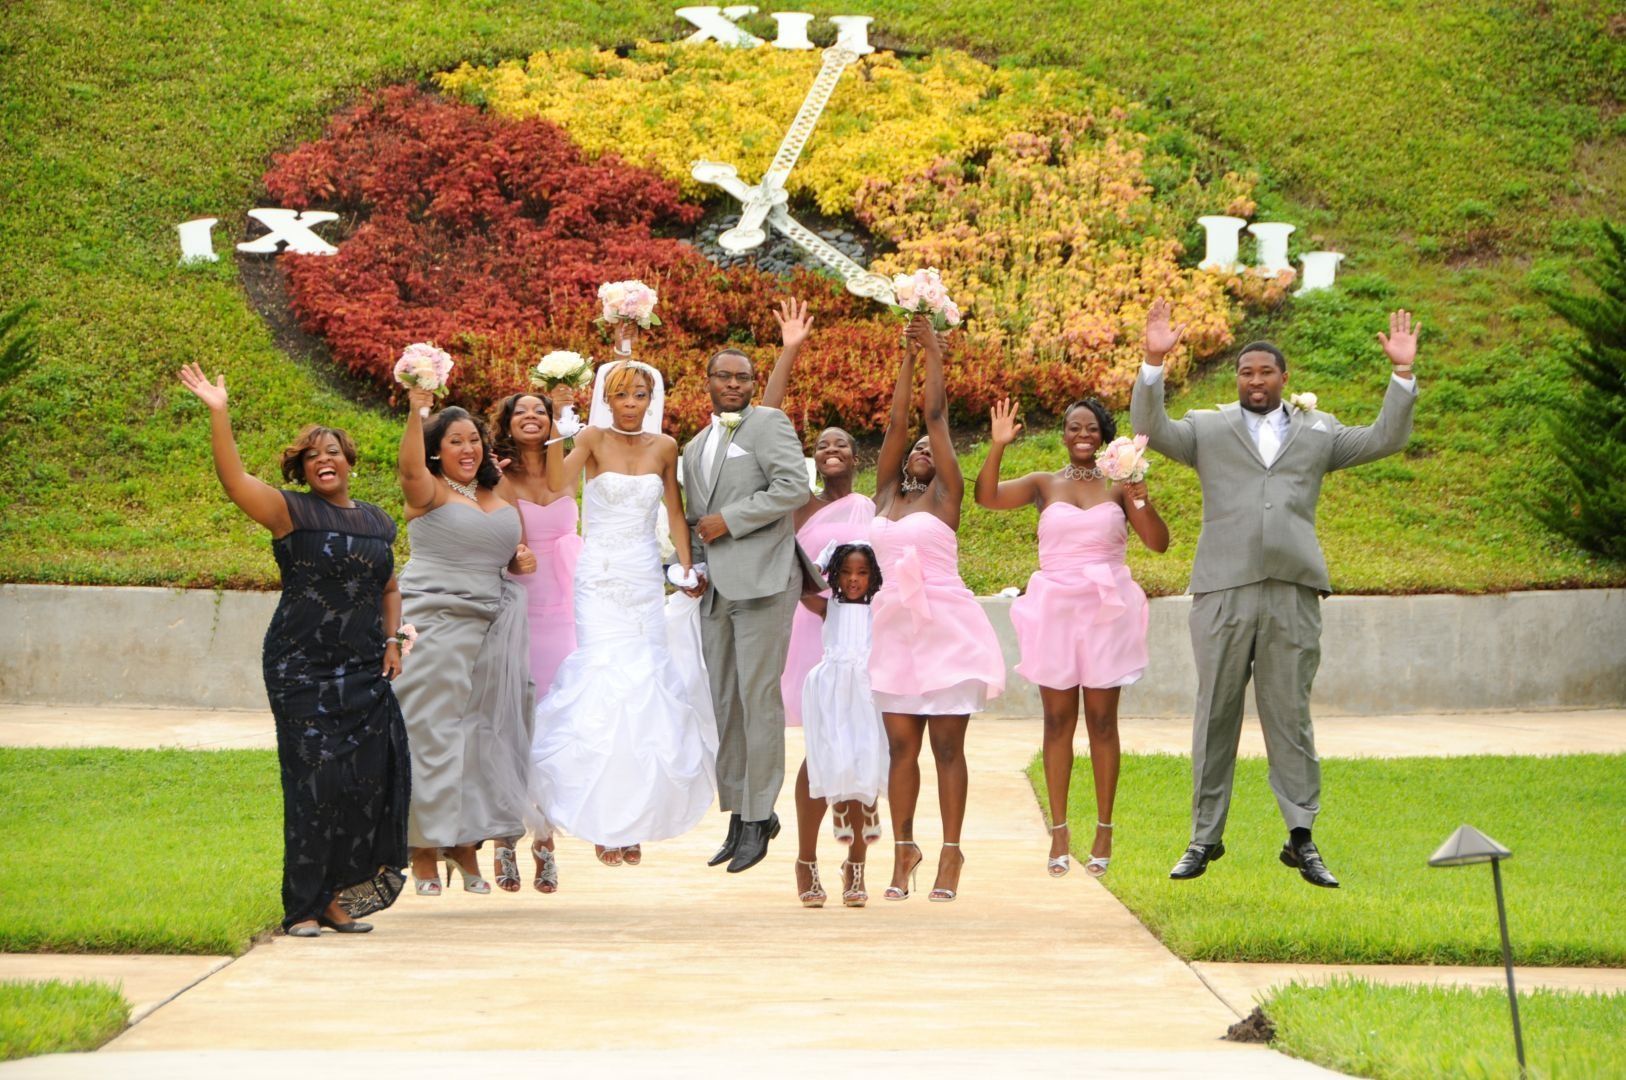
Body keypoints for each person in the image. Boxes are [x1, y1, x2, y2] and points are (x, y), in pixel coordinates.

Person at [1132, 299, 1420, 887]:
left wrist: (1403, 374)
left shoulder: (1320, 431)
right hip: (1223, 590)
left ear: (1284, 379)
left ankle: (1302, 838)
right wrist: (1153, 362)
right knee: (1215, 712)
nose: (1254, 380)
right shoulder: (1208, 429)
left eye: (1265, 372)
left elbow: (1387, 438)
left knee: (1290, 716)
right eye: (1245, 372)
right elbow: (1150, 430)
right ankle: (1203, 837)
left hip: (1292, 590)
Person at [178, 363, 408, 937]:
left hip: (362, 669)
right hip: (301, 666)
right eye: (311, 457)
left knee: (362, 782)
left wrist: (392, 641)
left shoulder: (379, 522)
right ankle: (302, 906)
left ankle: (333, 898)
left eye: (332, 451)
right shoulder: (290, 512)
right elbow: (234, 481)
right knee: (314, 783)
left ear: (350, 460)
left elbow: (388, 587)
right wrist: (218, 410)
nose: (323, 460)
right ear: (301, 470)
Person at [529, 354, 715, 865]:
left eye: (639, 395)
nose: (631, 405)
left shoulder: (666, 446)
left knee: (645, 689)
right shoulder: (589, 439)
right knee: (604, 686)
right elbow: (553, 486)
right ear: (605, 399)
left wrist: (686, 568)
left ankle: (630, 820)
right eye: (621, 395)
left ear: (650, 401)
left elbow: (675, 514)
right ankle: (600, 821)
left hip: (640, 577)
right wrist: (558, 431)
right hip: (601, 577)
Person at [975, 396, 1168, 878]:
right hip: (1057, 609)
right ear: (1063, 435)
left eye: (1090, 427)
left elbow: (1158, 542)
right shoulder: (1045, 483)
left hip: (1105, 608)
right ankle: (1059, 830)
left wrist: (1138, 490)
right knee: (1058, 720)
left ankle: (1104, 828)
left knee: (1102, 722)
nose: (1081, 433)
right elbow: (987, 497)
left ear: (1103, 435)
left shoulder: (1119, 484)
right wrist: (998, 446)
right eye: (1072, 427)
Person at [869, 317, 1006, 903]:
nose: (922, 450)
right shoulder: (883, 496)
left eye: (932, 450)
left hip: (946, 629)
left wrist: (932, 354)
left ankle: (951, 851)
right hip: (893, 633)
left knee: (948, 748)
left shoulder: (945, 495)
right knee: (901, 749)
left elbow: (931, 418)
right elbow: (900, 422)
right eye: (916, 451)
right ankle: (904, 851)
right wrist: (903, 355)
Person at [681, 338, 821, 874]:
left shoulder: (769, 424)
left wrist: (732, 520)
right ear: (709, 381)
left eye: (743, 377)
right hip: (715, 588)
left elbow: (793, 487)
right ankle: (740, 812)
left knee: (758, 697)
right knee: (726, 702)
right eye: (725, 377)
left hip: (764, 581)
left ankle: (762, 816)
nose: (734, 385)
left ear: (752, 382)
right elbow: (697, 517)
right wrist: (688, 567)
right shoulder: (694, 446)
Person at [393, 390, 537, 896]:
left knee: (481, 737)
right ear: (436, 451)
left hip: (492, 628)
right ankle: (423, 849)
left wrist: (518, 561)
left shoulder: (498, 494)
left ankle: (464, 844)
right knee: (430, 732)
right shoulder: (427, 490)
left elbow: (508, 551)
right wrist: (417, 411)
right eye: (455, 440)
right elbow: (408, 464)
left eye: (474, 438)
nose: (468, 447)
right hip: (435, 621)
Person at [491, 388, 583, 894]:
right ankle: (505, 836)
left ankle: (545, 839)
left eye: (540, 411)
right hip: (522, 607)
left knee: (554, 728)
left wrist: (567, 415)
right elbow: (503, 539)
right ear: (506, 423)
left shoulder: (568, 467)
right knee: (515, 723)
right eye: (520, 411)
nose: (531, 416)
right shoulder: (498, 476)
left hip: (567, 612)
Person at [793, 541, 887, 908]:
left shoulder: (880, 609)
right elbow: (801, 586)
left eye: (862, 573)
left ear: (873, 576)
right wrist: (820, 562)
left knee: (864, 766)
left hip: (867, 692)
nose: (852, 580)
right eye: (845, 572)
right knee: (824, 760)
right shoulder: (827, 605)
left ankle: (856, 865)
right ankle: (806, 861)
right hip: (831, 690)